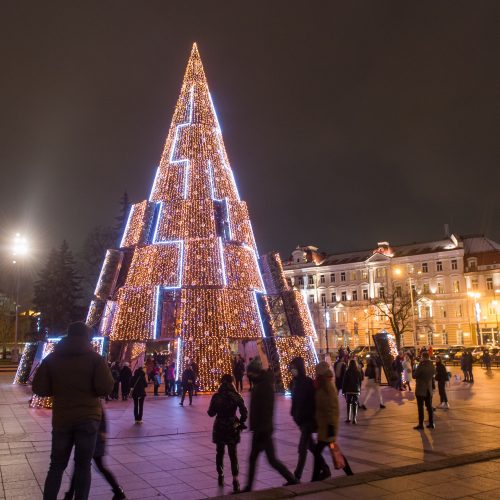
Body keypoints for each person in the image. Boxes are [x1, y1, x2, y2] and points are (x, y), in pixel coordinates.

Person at [32, 321, 114, 500]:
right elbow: (105, 388)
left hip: (62, 419)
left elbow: (39, 388)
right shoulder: (95, 359)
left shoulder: (52, 358)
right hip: (88, 419)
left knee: (56, 466)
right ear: (86, 337)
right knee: (83, 466)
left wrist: (59, 387)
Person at [242, 357, 297, 492]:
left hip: (263, 429)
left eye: (250, 374)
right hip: (261, 428)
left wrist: (261, 427)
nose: (250, 377)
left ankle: (292, 479)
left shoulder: (264, 385)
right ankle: (291, 479)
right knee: (265, 459)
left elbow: (266, 408)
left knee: (265, 459)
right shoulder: (262, 384)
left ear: (255, 373)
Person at [63, 404, 125, 500]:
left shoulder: (93, 402)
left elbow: (100, 421)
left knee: (86, 467)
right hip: (94, 439)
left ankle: (118, 491)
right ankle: (118, 491)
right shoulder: (93, 401)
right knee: (90, 467)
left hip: (93, 439)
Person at [289, 357, 329, 482]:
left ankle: (297, 477)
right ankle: (325, 469)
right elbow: (295, 401)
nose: (292, 370)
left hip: (308, 420)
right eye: (291, 368)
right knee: (311, 447)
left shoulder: (307, 382)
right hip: (301, 420)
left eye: (293, 368)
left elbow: (313, 401)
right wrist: (294, 413)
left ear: (299, 368)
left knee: (302, 449)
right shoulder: (294, 383)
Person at [207, 374, 248, 493]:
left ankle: (220, 474)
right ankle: (235, 479)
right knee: (232, 453)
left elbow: (211, 413)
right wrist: (240, 421)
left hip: (219, 425)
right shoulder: (236, 395)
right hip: (232, 426)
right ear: (232, 382)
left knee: (219, 452)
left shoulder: (216, 396)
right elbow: (244, 412)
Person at [313, 362, 352, 479]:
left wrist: (331, 426)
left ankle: (315, 478)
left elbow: (332, 407)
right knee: (331, 450)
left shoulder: (327, 386)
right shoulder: (323, 385)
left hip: (328, 427)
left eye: (317, 373)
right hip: (324, 426)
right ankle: (349, 474)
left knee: (319, 452)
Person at [413, 352, 436, 429]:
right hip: (428, 389)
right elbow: (434, 373)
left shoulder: (421, 365)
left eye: (421, 357)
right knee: (429, 407)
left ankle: (420, 424)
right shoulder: (432, 365)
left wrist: (414, 370)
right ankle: (431, 423)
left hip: (421, 389)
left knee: (420, 407)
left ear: (423, 357)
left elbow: (415, 376)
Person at [342, 359, 363, 424]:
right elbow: (360, 382)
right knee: (355, 404)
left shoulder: (347, 372)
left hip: (348, 390)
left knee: (348, 403)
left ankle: (348, 418)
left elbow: (344, 382)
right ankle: (354, 419)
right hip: (356, 390)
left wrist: (343, 391)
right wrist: (359, 390)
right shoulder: (358, 372)